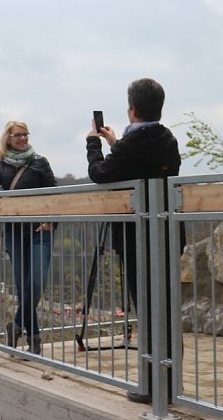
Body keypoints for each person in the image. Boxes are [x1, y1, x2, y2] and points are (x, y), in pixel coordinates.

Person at [86, 78, 183, 404]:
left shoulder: (132, 145)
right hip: (169, 231)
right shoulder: (167, 138)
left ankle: (154, 387)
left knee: (147, 307)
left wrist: (94, 144)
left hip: (136, 238)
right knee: (166, 307)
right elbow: (137, 164)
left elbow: (101, 174)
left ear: (132, 110)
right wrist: (116, 142)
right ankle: (170, 382)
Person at [0, 120, 57, 355]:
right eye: (18, 135)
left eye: (26, 134)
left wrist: (50, 221)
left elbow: (56, 193)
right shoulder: (2, 166)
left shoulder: (39, 163)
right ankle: (35, 337)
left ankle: (16, 325)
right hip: (14, 234)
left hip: (40, 232)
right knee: (24, 288)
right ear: (8, 138)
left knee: (36, 284)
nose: (23, 138)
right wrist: (2, 194)